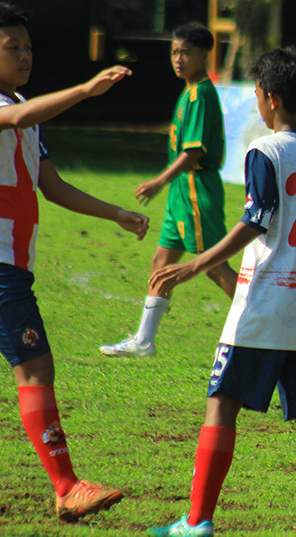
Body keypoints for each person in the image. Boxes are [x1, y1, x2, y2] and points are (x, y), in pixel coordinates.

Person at [146, 47, 296, 537]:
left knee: (221, 405)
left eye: (259, 95)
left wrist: (196, 264)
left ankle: (197, 522)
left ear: (270, 99)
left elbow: (257, 218)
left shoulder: (265, 151)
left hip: (265, 306)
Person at [0, 1, 150, 521]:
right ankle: (67, 485)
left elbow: (50, 186)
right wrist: (85, 90)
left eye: (29, 46)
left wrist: (115, 212)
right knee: (35, 368)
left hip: (6, 263)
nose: (25, 55)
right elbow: (20, 117)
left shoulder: (23, 106)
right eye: (13, 47)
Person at [100, 22, 237, 358]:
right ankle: (144, 340)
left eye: (186, 52)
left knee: (213, 264)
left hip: (195, 188)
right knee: (162, 260)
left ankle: (267, 325)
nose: (178, 59)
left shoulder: (202, 93)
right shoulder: (188, 91)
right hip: (181, 191)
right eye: (174, 52)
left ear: (205, 54)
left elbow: (195, 151)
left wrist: (160, 180)